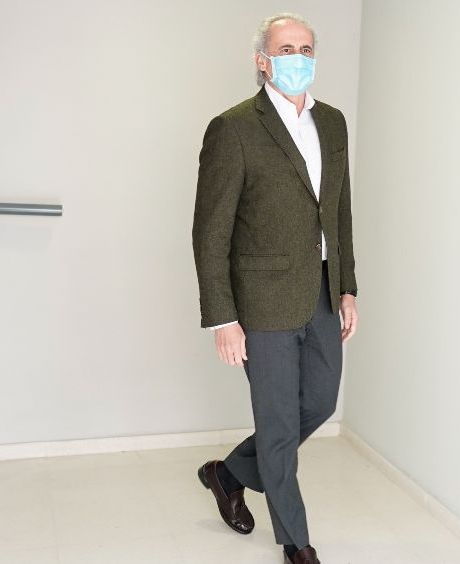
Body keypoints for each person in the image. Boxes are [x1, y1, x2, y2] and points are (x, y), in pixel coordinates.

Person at [191, 12, 359, 564]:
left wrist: (348, 287)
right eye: (286, 49)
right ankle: (296, 542)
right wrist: (223, 318)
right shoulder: (234, 128)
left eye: (306, 49)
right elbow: (210, 232)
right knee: (280, 424)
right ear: (262, 60)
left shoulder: (332, 122)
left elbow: (339, 210)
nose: (298, 59)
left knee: (321, 401)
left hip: (321, 291)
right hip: (260, 301)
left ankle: (229, 473)